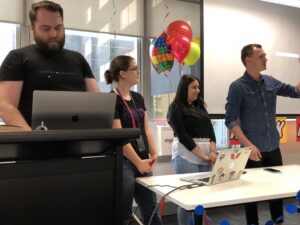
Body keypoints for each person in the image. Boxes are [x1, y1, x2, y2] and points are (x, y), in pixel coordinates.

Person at [225, 43, 300, 225]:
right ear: (248, 60)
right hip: (251, 151)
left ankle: (278, 222)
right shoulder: (237, 87)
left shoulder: (271, 81)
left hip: (272, 147)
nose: (266, 59)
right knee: (251, 195)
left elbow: (296, 91)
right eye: (261, 56)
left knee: (276, 192)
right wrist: (248, 145)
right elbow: (230, 120)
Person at [0, 0, 99, 131]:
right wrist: (31, 138)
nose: (54, 34)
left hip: (79, 143)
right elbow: (5, 105)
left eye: (58, 28)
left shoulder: (78, 59)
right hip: (34, 145)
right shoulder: (17, 58)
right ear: (32, 29)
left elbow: (97, 102)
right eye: (46, 29)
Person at [104, 55, 163, 225]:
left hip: (143, 159)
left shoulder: (138, 98)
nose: (138, 72)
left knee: (152, 211)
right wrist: (138, 162)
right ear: (123, 73)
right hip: (124, 162)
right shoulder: (111, 100)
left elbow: (145, 129)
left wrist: (153, 152)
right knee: (125, 214)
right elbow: (119, 135)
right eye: (134, 68)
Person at [167, 74, 218, 225]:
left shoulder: (201, 107)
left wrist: (213, 151)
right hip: (186, 156)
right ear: (184, 89)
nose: (197, 90)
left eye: (198, 87)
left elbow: (211, 132)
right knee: (186, 198)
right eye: (194, 87)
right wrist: (203, 155)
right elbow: (183, 136)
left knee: (202, 198)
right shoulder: (175, 107)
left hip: (206, 156)